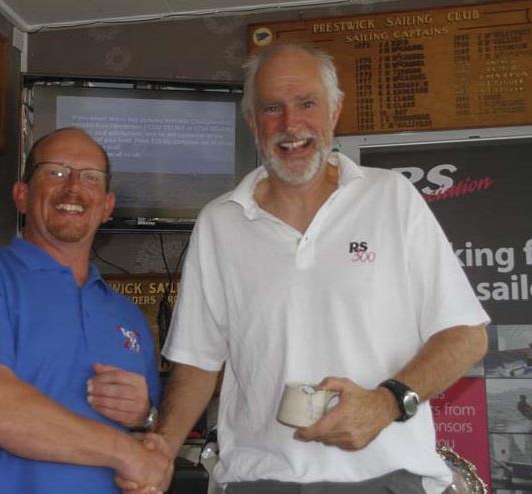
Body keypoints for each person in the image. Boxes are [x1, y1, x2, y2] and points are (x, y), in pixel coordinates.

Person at [119, 43, 489, 494]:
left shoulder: (392, 197)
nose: (290, 125)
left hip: (384, 479)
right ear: (253, 122)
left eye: (306, 104)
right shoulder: (220, 221)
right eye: (272, 108)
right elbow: (199, 361)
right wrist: (161, 448)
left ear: (334, 111)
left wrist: (387, 402)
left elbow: (466, 335)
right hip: (262, 480)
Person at [0, 128, 172, 493]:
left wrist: (146, 418)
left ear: (107, 206)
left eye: (89, 177)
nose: (72, 188)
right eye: (55, 172)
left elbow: (148, 442)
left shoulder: (127, 316)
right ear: (22, 196)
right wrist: (125, 453)